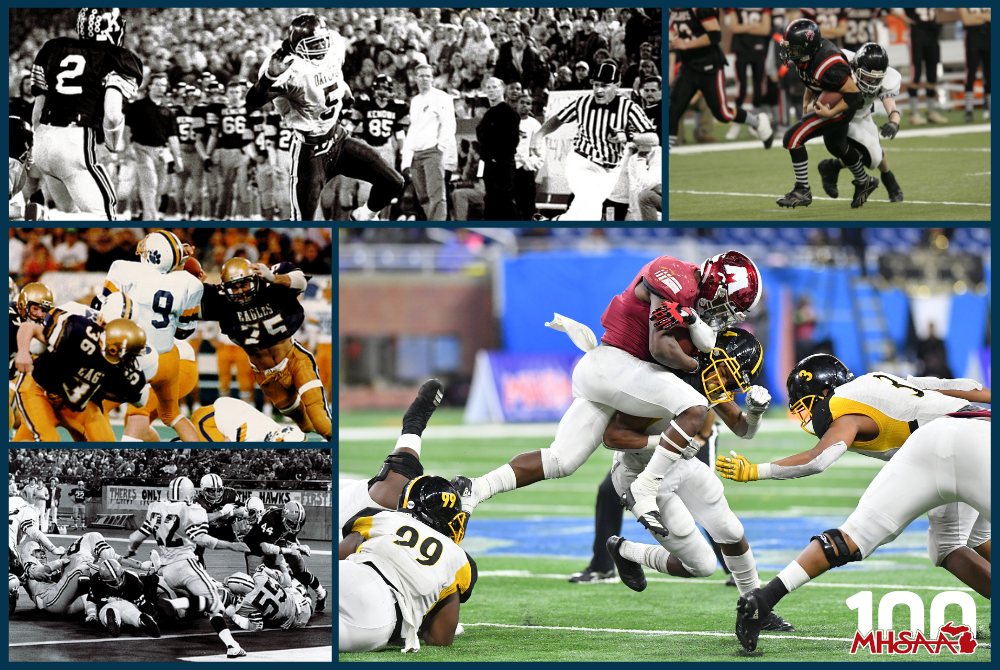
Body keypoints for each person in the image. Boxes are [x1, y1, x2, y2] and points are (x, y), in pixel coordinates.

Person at [451, 252, 763, 539]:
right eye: (727, 307)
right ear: (717, 287)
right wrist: (695, 365)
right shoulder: (674, 276)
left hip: (612, 375)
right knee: (694, 406)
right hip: (615, 364)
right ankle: (645, 489)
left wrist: (753, 411)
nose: (724, 317)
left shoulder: (699, 322)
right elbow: (659, 347)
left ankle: (475, 489)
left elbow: (739, 425)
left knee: (561, 460)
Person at [717, 354, 992, 643]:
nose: (808, 414)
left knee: (855, 535)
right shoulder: (882, 380)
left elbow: (819, 458)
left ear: (825, 391)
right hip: (979, 428)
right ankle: (763, 600)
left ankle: (763, 599)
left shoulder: (841, 405)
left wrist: (755, 471)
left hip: (935, 443)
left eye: (806, 402)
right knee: (964, 540)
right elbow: (951, 385)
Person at [598, 330, 795, 634]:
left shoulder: (708, 379)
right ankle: (625, 551)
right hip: (640, 474)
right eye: (729, 374)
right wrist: (664, 442)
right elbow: (612, 437)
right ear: (714, 357)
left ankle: (756, 608)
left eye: (735, 380)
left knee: (731, 530)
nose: (728, 384)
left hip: (681, 463)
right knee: (701, 566)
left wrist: (754, 414)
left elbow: (744, 429)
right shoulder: (665, 380)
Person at [246, 13, 404, 221]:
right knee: (304, 222)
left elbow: (335, 79)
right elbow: (253, 101)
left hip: (338, 140)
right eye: (314, 44)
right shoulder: (290, 68)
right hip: (310, 153)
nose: (321, 47)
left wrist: (345, 96)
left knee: (394, 183)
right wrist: (268, 78)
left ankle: (362, 216)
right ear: (299, 46)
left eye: (322, 41)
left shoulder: (333, 49)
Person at [200, 257, 332, 441]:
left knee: (321, 422)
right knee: (306, 426)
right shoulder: (221, 301)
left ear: (254, 278)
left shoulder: (270, 284)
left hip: (294, 359)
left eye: (244, 284)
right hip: (267, 376)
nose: (240, 291)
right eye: (234, 287)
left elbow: (301, 281)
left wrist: (273, 278)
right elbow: (187, 311)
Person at [340, 476, 474, 653]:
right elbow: (439, 639)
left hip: (353, 573)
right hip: (380, 615)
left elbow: (340, 555)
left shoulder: (382, 516)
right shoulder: (458, 559)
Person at [30, 8, 142, 219]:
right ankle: (38, 216)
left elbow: (37, 112)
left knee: (68, 211)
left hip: (43, 139)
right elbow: (112, 114)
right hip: (74, 140)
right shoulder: (117, 57)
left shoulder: (53, 47)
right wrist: (112, 143)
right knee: (104, 214)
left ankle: (42, 216)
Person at [125, 476, 248, 658]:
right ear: (190, 493)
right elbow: (201, 539)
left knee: (201, 604)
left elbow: (136, 537)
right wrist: (231, 545)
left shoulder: (156, 508)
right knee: (215, 603)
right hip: (186, 564)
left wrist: (131, 551)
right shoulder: (191, 509)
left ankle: (233, 646)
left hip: (168, 571)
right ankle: (173, 604)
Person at [100, 231, 204, 442]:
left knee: (132, 413)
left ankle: (124, 466)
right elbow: (184, 331)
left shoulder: (124, 270)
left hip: (144, 358)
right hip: (174, 359)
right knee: (170, 414)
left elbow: (102, 310)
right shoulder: (188, 282)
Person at [530, 61, 655, 221]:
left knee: (590, 214)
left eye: (604, 85)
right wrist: (539, 135)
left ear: (617, 85)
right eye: (595, 85)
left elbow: (653, 138)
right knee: (589, 203)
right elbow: (558, 119)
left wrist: (629, 137)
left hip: (610, 170)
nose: (598, 90)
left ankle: (552, 222)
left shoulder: (629, 108)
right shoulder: (583, 102)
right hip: (581, 162)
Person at [773, 19, 875, 209]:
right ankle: (864, 181)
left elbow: (856, 96)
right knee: (837, 146)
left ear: (808, 47)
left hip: (842, 106)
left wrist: (832, 111)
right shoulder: (808, 56)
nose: (789, 53)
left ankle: (802, 189)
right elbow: (812, 78)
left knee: (793, 138)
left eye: (794, 49)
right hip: (830, 101)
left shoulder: (829, 65)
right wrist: (807, 97)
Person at [668, 9, 774, 154]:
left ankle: (757, 122)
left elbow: (715, 35)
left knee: (723, 114)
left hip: (709, 67)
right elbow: (675, 29)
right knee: (671, 112)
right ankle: (661, 162)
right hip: (687, 67)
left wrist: (687, 44)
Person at [816, 43, 905, 203]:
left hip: (863, 114)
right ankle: (888, 182)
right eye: (868, 76)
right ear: (855, 67)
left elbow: (891, 106)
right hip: (841, 114)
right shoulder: (840, 62)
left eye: (877, 78)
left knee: (874, 155)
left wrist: (893, 122)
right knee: (872, 155)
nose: (872, 82)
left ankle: (832, 167)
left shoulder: (889, 78)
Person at [401, 64, 457, 221]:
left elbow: (448, 124)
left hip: (432, 151)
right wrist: (407, 158)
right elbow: (413, 129)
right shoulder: (415, 101)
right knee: (423, 196)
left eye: (427, 76)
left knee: (436, 195)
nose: (424, 79)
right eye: (421, 76)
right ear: (415, 78)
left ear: (432, 78)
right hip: (416, 153)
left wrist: (440, 148)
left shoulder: (441, 97)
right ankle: (431, 224)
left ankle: (438, 226)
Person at [125, 73, 183, 221]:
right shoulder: (137, 106)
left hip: (162, 151)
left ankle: (148, 216)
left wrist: (178, 158)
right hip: (141, 148)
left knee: (158, 188)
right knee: (150, 183)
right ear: (150, 86)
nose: (159, 87)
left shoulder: (168, 111)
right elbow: (126, 128)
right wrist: (128, 147)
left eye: (162, 85)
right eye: (156, 84)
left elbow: (173, 136)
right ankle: (152, 218)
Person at [724, 8, 772, 142]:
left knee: (759, 85)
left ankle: (755, 123)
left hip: (758, 48)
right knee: (742, 86)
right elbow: (734, 27)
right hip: (741, 48)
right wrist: (754, 26)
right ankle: (737, 121)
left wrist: (744, 28)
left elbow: (765, 29)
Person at [892, 9, 947, 125]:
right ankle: (914, 113)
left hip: (933, 35)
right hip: (917, 35)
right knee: (915, 73)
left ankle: (931, 111)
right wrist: (905, 18)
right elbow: (886, 9)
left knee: (932, 74)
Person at [476, 78, 521, 220]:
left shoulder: (508, 113)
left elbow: (512, 141)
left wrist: (496, 158)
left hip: (502, 165)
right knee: (491, 202)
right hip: (490, 165)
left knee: (505, 202)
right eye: (488, 87)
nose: (490, 90)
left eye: (494, 87)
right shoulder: (488, 114)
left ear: (502, 89)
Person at [191, 397, 306, 442]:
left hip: (221, 409)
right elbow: (227, 443)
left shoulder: (276, 429)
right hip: (205, 421)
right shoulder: (253, 431)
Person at [513, 93, 542, 220]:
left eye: (528, 103)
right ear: (516, 104)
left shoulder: (534, 124)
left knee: (527, 207)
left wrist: (528, 165)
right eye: (522, 102)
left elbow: (539, 150)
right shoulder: (509, 121)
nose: (524, 106)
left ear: (531, 107)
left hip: (525, 170)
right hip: (509, 168)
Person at [959, 9, 991, 122]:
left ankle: (991, 108)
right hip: (972, 36)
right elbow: (967, 20)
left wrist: (976, 16)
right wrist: (985, 17)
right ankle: (969, 109)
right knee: (970, 73)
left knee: (990, 74)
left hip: (989, 35)